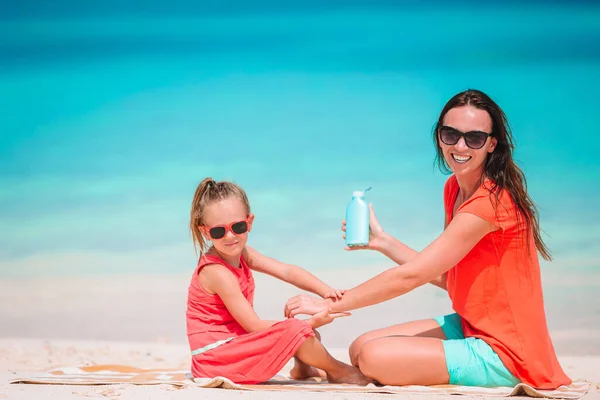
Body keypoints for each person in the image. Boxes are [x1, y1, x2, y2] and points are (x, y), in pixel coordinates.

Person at [284, 89, 572, 390]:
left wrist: (328, 306)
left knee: (372, 356)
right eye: (451, 134)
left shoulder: (490, 203)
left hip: (509, 353)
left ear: (491, 144)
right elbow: (448, 276)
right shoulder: (454, 189)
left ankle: (333, 368)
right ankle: (330, 366)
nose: (460, 145)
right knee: (359, 347)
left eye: (474, 138)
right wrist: (383, 242)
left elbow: (412, 276)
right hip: (472, 325)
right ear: (439, 136)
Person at [185, 177, 370, 385]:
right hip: (216, 360)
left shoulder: (243, 254)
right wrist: (307, 323)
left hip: (231, 347)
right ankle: (339, 371)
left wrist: (325, 291)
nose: (230, 236)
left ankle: (303, 368)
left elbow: (286, 271)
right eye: (218, 231)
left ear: (250, 222)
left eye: (237, 227)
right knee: (298, 330)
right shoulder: (217, 272)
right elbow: (254, 325)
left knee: (306, 333)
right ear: (205, 231)